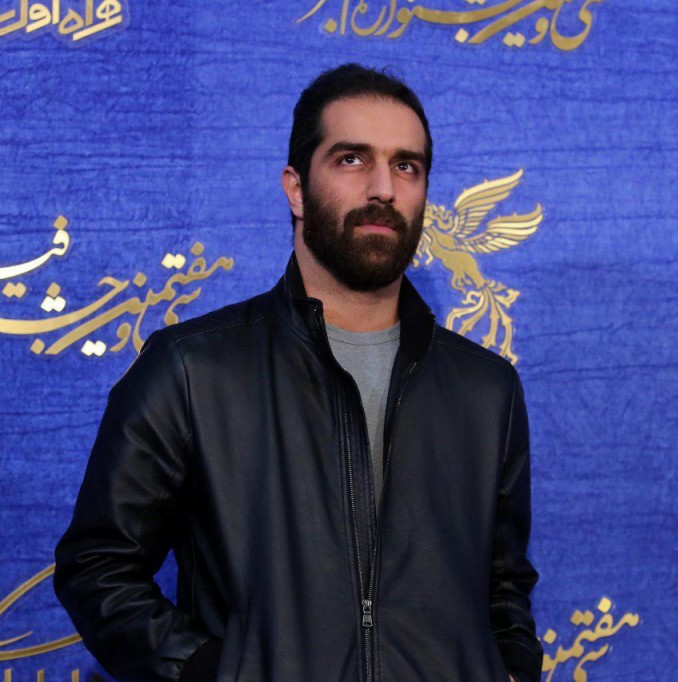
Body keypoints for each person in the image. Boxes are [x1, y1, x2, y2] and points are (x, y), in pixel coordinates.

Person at [54, 63, 542, 682]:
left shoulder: (487, 391)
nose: (384, 188)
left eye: (406, 166)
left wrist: (514, 668)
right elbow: (98, 567)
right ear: (295, 188)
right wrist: (213, 672)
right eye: (351, 159)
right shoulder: (192, 371)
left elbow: (504, 591)